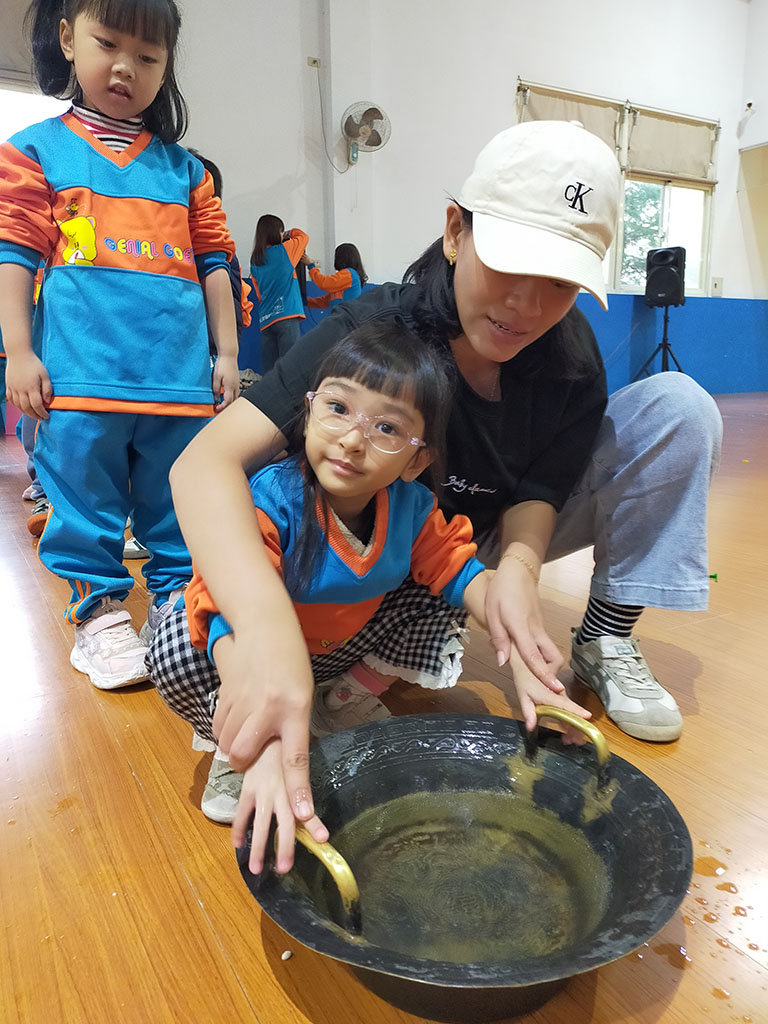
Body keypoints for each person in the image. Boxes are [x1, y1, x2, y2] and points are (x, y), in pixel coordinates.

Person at [167, 120, 723, 864]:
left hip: (466, 544)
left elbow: (542, 485)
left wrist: (517, 577)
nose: (526, 305)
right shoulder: (375, 332)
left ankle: (605, 637)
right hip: (390, 533)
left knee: (681, 408)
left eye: (560, 283)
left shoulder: (568, 355)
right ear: (457, 231)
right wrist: (264, 634)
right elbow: (202, 465)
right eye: (510, 264)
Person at [149, 323, 588, 870]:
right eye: (337, 408)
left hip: (336, 653)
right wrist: (261, 741)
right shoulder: (272, 499)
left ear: (416, 460)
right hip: (251, 657)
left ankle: (338, 701)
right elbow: (224, 613)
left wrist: (525, 655)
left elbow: (464, 575)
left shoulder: (411, 508)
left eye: (386, 428)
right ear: (307, 410)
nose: (353, 440)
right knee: (176, 642)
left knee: (443, 594)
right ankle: (239, 736)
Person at [0, 0, 240, 690]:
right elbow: (13, 254)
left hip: (179, 382)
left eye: (148, 56)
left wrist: (227, 355)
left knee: (179, 505)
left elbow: (216, 265)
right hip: (79, 378)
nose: (126, 67)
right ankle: (100, 614)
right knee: (83, 504)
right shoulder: (34, 151)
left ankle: (175, 606)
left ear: (166, 68)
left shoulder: (186, 171)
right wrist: (20, 351)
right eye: (108, 43)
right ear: (68, 39)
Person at [249, 215, 308, 374]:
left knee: (270, 372)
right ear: (276, 233)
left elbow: (259, 295)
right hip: (287, 314)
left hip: (266, 320)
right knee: (291, 368)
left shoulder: (255, 260)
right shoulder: (286, 250)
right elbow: (303, 237)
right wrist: (288, 233)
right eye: (281, 231)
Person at [301, 242, 367, 311]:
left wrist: (311, 266)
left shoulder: (350, 274)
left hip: (345, 316)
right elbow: (324, 302)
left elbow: (324, 283)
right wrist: (304, 301)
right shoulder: (347, 278)